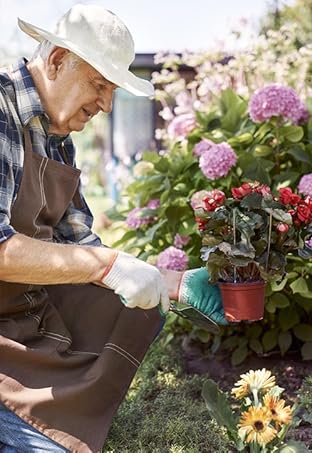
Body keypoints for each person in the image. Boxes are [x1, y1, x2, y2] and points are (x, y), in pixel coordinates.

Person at [0, 4, 227, 453]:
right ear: (58, 60)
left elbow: (81, 245)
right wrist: (106, 266)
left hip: (19, 323)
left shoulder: (55, 137)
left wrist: (178, 284)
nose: (105, 104)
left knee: (132, 309)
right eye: (99, 84)